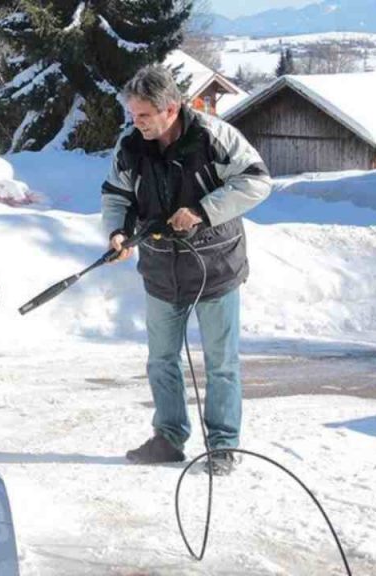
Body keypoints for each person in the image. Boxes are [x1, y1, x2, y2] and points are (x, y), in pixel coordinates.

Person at [101, 65, 272, 473]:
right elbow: (116, 195)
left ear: (171, 109)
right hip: (160, 269)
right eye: (133, 114)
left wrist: (201, 211)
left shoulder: (214, 137)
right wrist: (118, 233)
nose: (135, 122)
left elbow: (257, 180)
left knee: (221, 363)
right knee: (161, 360)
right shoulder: (130, 145)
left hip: (216, 267)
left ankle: (223, 445)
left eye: (143, 115)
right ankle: (169, 437)